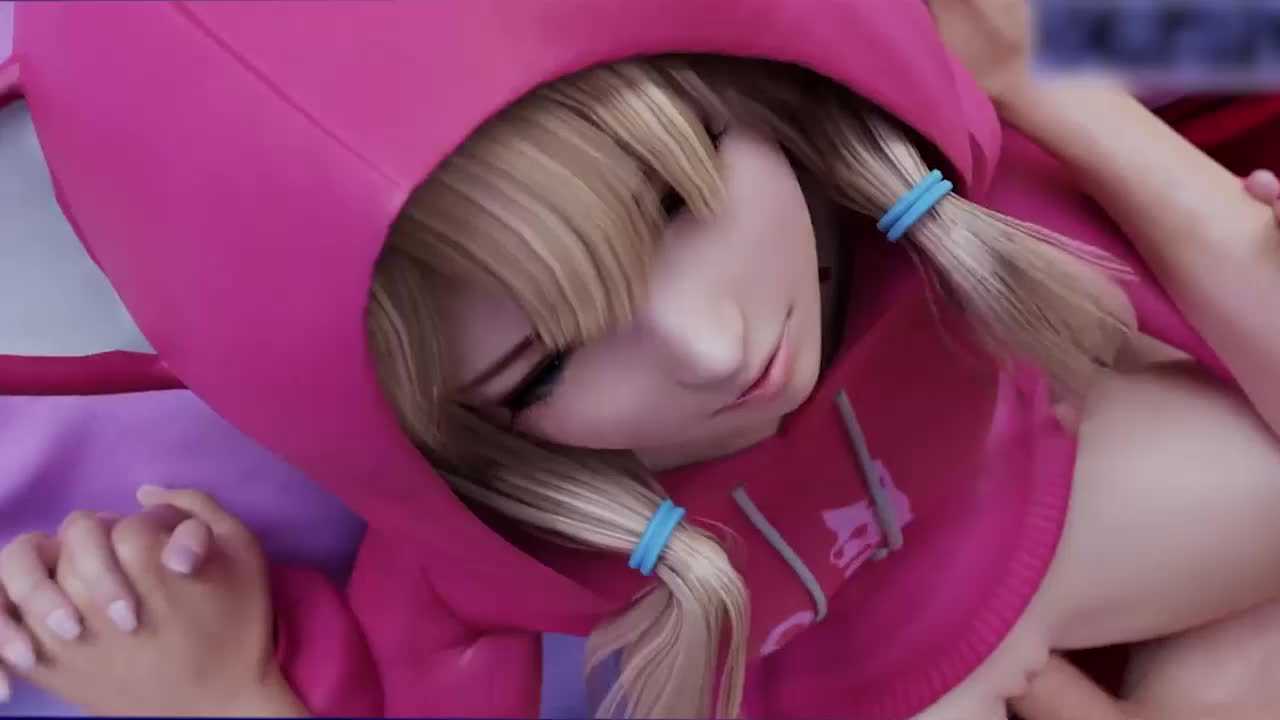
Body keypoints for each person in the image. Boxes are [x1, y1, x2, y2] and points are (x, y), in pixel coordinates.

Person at [2, 0, 1280, 717]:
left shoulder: (936, 191)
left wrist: (1036, 82)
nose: (715, 346)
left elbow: (1204, 40)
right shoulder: (484, 577)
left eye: (676, 200)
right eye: (541, 372)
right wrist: (224, 697)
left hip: (1108, 497)